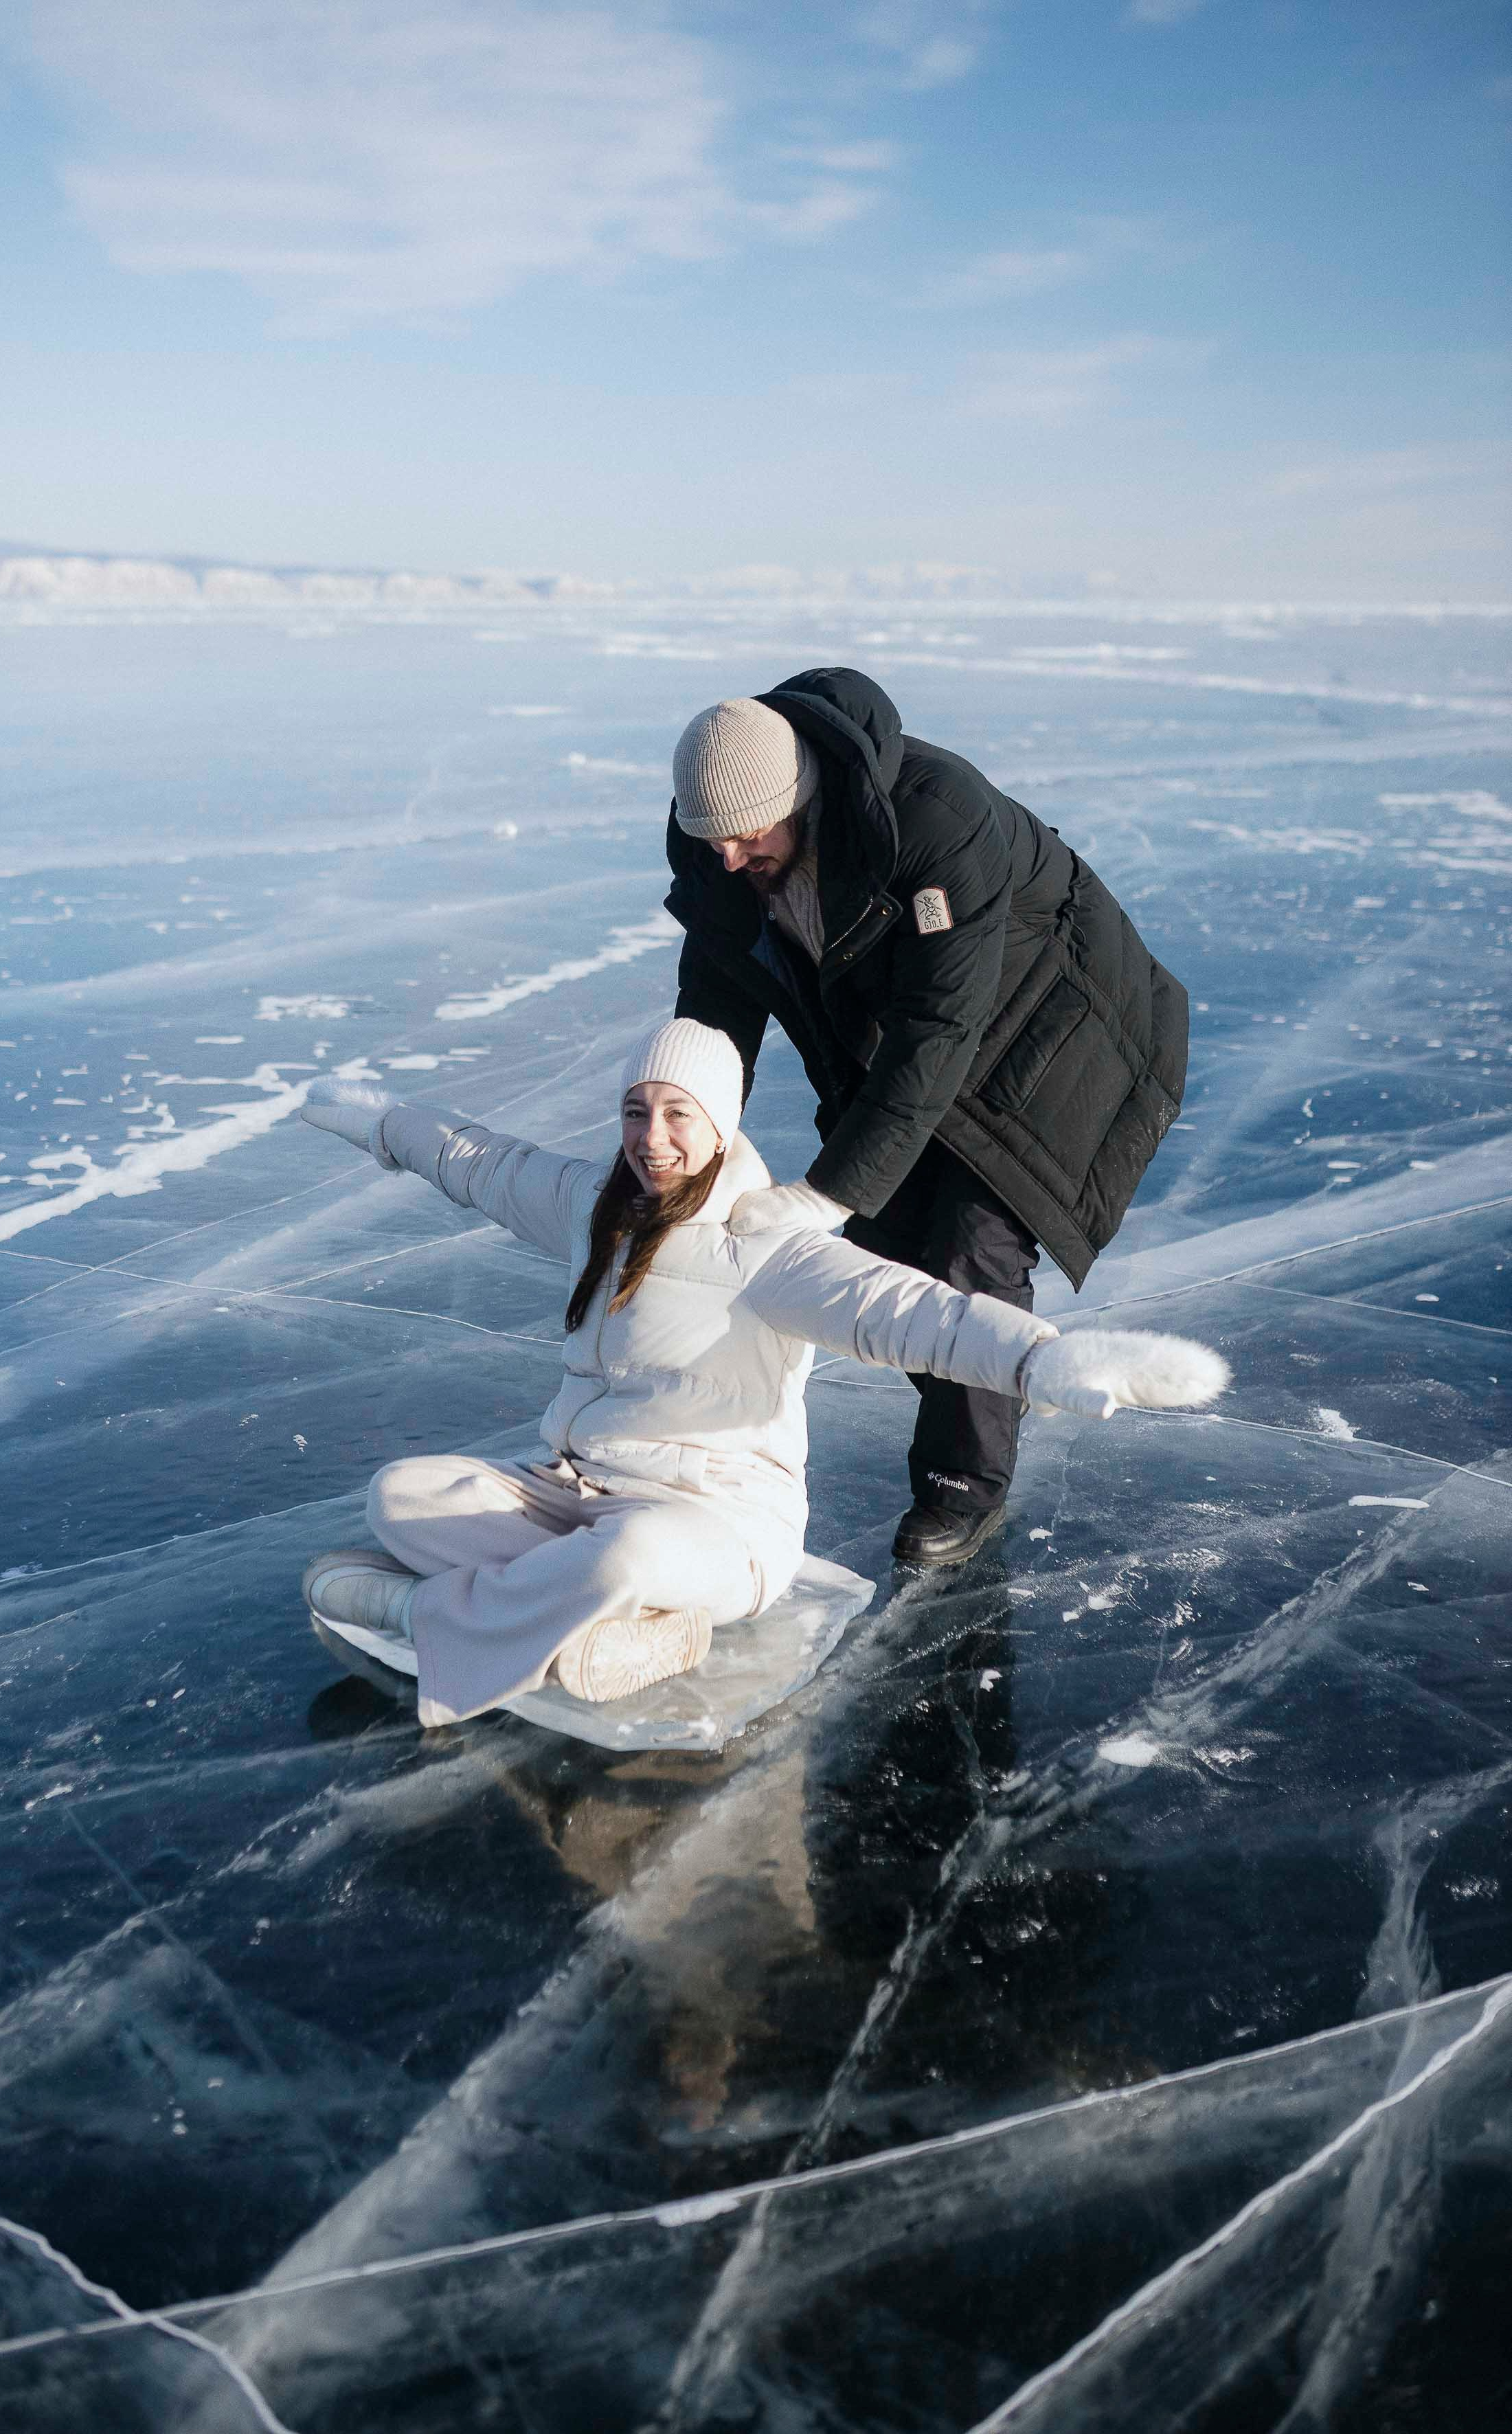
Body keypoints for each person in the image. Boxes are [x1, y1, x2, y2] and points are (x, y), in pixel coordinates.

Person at [296, 1020, 1225, 1727]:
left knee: (631, 1555)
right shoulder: (595, 1205)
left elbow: (912, 1313)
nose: (650, 1137)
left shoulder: (769, 1248)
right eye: (635, 1111)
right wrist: (385, 1122)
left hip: (718, 1525)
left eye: (676, 1116)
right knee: (403, 1496)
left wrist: (1041, 1358)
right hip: (572, 1494)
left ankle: (427, 1614)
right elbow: (480, 1163)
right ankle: (601, 1626)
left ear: (718, 1125)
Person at [664, 671, 1191, 1568]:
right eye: (709, 838)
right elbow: (718, 1000)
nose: (725, 858)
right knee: (887, 1241)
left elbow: (939, 1028)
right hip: (900, 1029)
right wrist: (685, 1122)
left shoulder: (933, 818)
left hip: (1052, 1036)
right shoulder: (721, 837)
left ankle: (961, 1482)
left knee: (967, 1246)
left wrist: (826, 1190)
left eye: (747, 836)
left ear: (803, 801)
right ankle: (981, 1378)